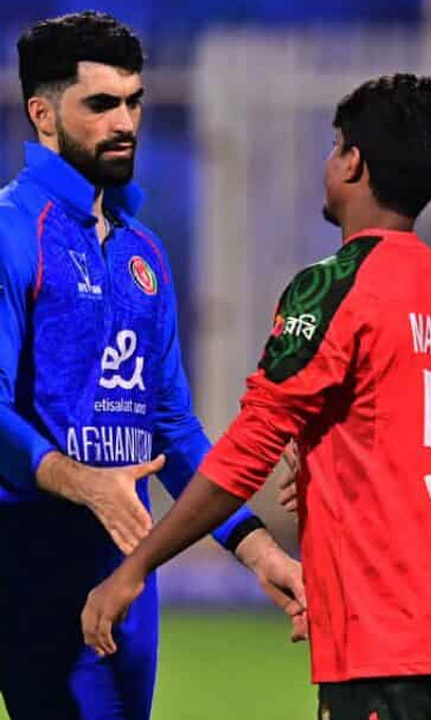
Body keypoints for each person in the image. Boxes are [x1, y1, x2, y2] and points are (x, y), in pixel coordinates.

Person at [81, 72, 431, 720]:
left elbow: (250, 448)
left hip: (379, 627)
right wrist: (332, 477)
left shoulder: (333, 286)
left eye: (335, 145)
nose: (330, 159)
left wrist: (136, 567)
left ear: (353, 162)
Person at [0, 12, 302, 720]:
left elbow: (172, 427)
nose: (125, 122)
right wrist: (83, 482)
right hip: (25, 557)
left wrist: (257, 549)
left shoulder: (145, 252)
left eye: (134, 102)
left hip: (124, 568)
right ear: (43, 115)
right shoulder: (12, 232)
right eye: (102, 104)